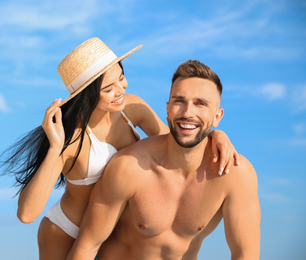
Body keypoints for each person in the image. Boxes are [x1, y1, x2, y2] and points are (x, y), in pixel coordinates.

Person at [0, 38, 239, 260]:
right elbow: (26, 214)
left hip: (111, 228)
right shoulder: (72, 141)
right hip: (68, 231)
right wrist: (55, 147)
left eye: (121, 78)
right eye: (108, 88)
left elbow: (176, 140)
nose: (121, 90)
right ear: (87, 95)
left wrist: (217, 133)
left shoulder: (133, 109)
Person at [67, 60, 260, 260]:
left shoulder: (235, 173)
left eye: (200, 104)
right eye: (179, 101)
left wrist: (216, 135)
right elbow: (87, 247)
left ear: (217, 117)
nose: (187, 112)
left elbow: (245, 254)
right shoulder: (128, 166)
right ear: (167, 110)